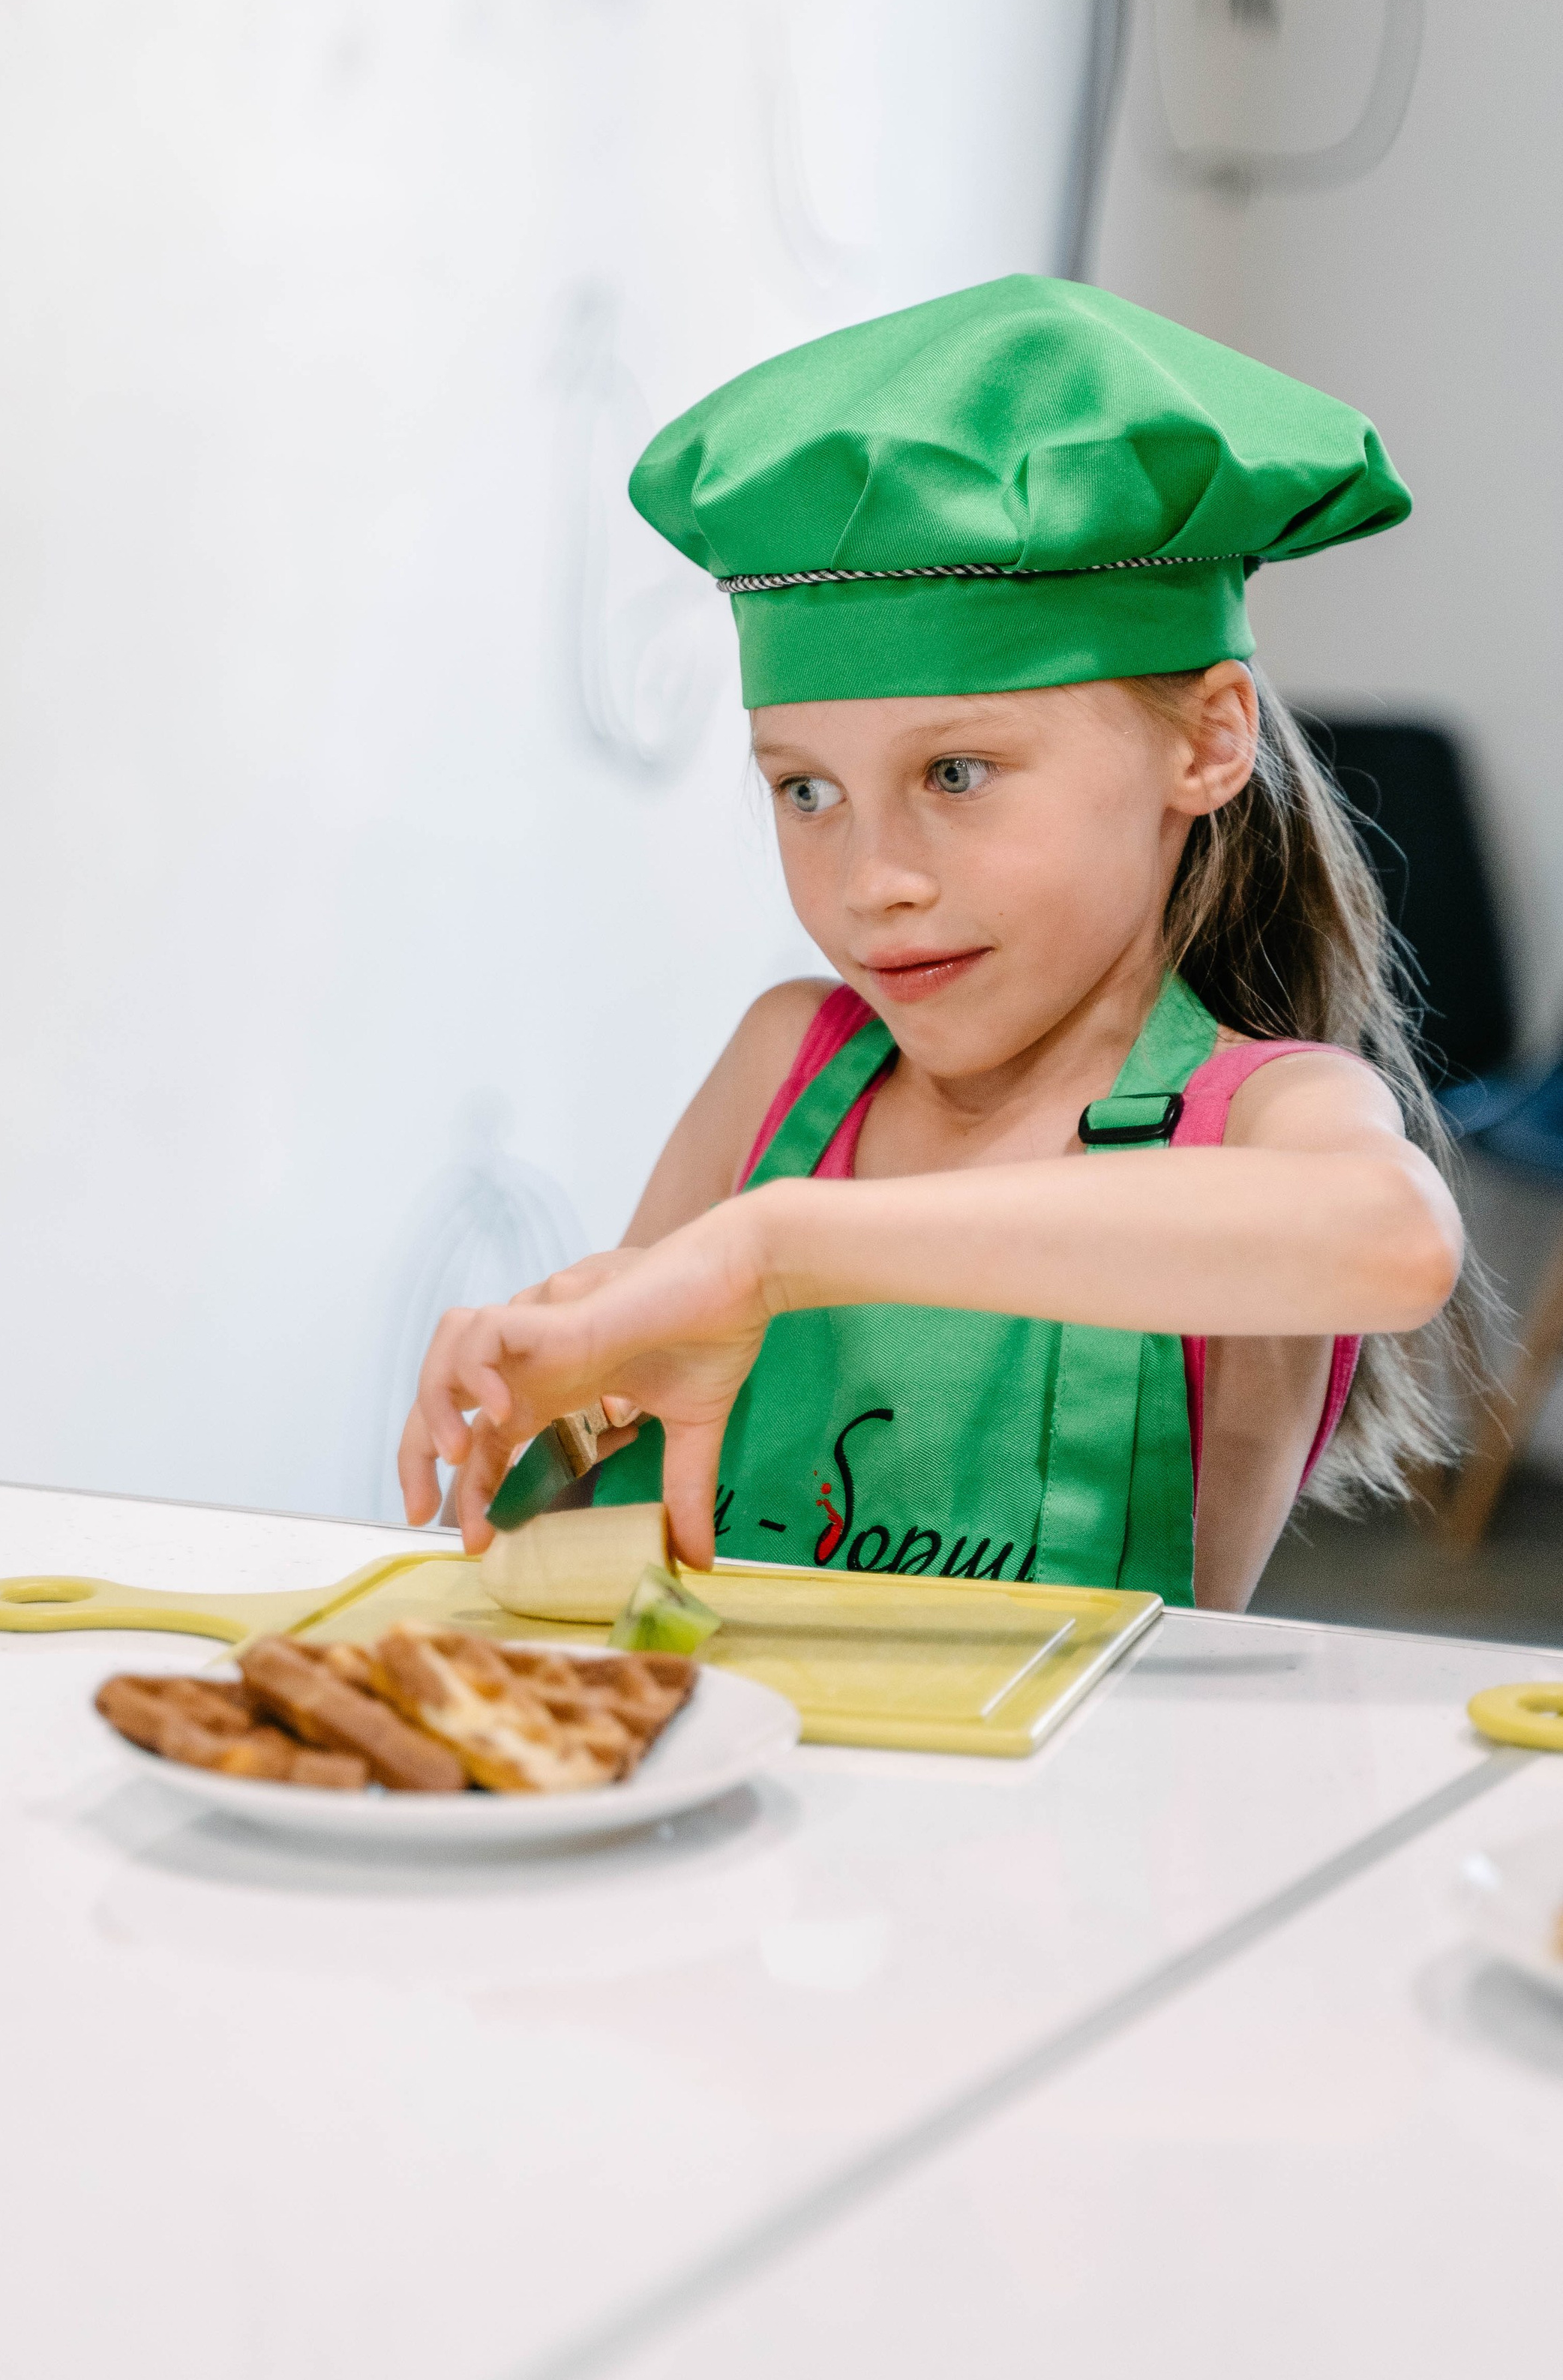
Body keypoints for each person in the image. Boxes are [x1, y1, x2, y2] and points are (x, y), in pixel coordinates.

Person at [400, 277, 1469, 1611]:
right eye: (806, 790)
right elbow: (622, 1464)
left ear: (1206, 740)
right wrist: (555, 1390)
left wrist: (779, 1252)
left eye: (958, 773)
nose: (874, 882)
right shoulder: (787, 1063)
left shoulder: (1263, 1119)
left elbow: (1394, 1240)